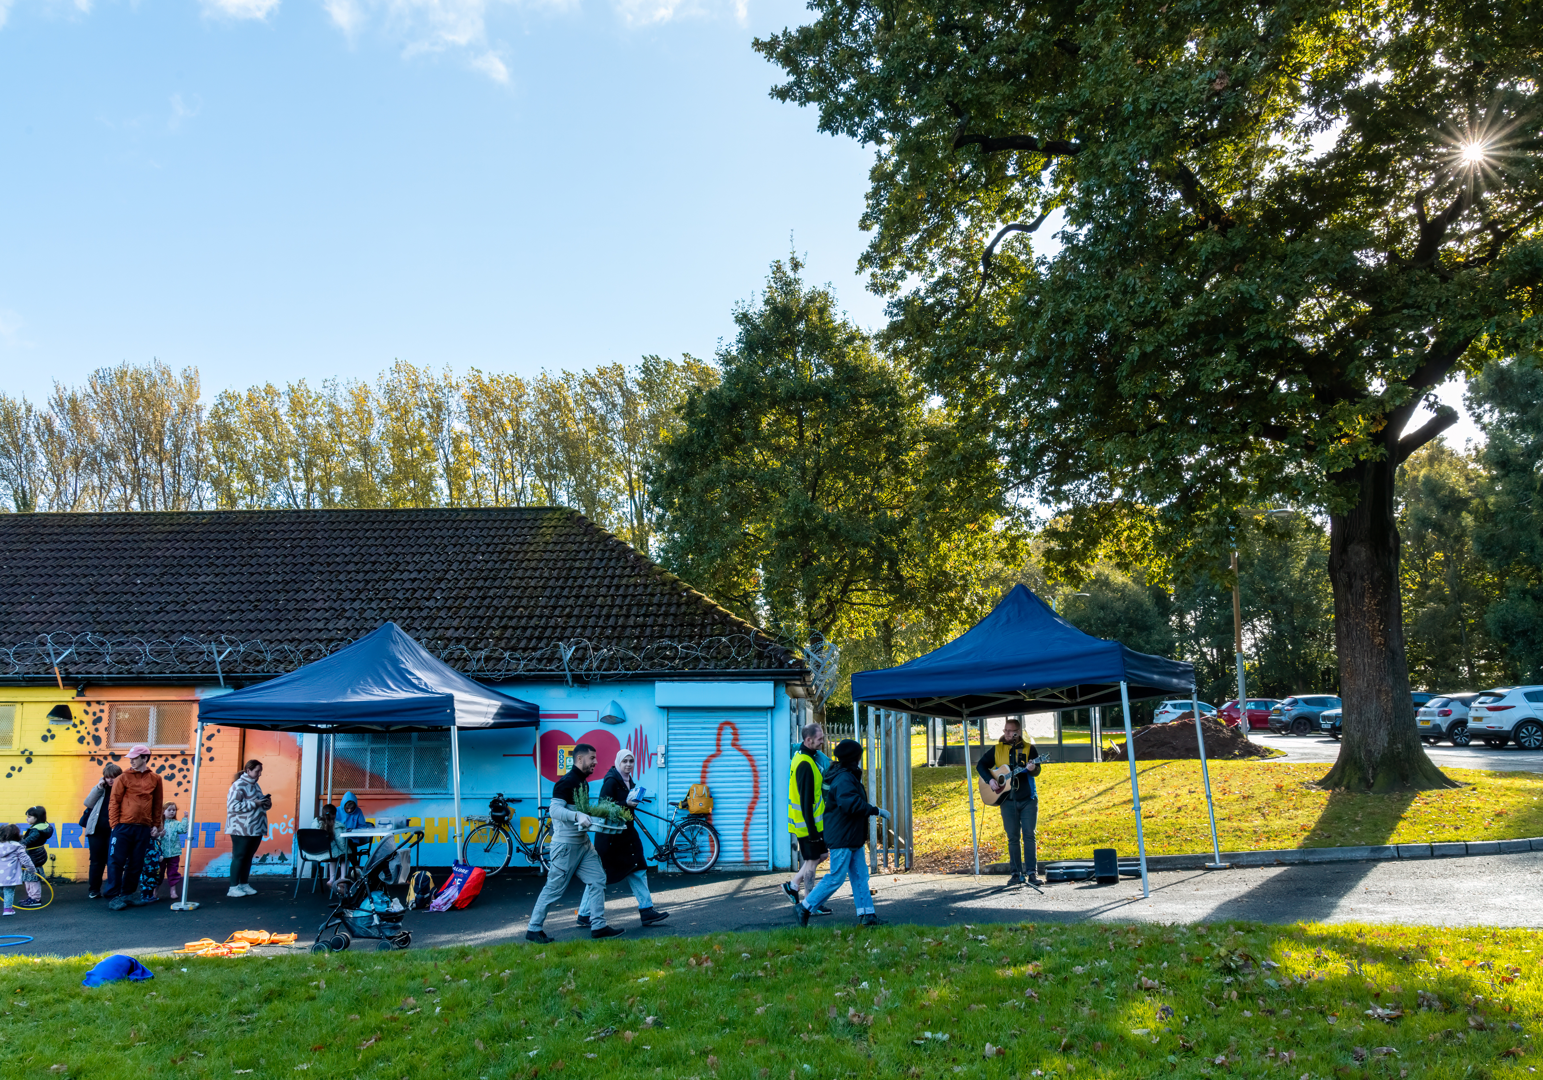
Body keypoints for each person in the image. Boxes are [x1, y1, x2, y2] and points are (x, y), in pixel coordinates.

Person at [525, 743, 620, 943]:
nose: (595, 762)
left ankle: (598, 926)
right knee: (554, 889)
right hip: (566, 847)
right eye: (592, 758)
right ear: (579, 759)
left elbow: (582, 812)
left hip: (583, 845)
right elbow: (554, 811)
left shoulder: (583, 782)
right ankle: (533, 929)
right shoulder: (566, 782)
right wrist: (577, 815)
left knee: (598, 880)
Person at [794, 739, 888, 928]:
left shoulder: (844, 774)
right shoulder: (844, 778)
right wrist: (875, 810)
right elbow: (849, 804)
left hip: (850, 836)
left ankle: (867, 915)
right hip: (843, 836)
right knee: (836, 877)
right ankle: (804, 907)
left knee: (860, 876)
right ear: (855, 757)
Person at [578, 749, 669, 928]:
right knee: (599, 876)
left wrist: (631, 802)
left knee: (638, 869)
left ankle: (646, 910)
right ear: (618, 762)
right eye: (625, 761)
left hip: (626, 836)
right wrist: (625, 803)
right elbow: (603, 807)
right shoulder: (611, 781)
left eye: (631, 761)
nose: (628, 764)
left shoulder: (628, 781)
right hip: (610, 839)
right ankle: (584, 914)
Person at [976, 716, 1043, 886]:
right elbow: (980, 765)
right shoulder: (997, 749)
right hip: (1007, 799)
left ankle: (1032, 874)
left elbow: (1037, 771)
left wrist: (1033, 768)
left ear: (1017, 732)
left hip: (1028, 798)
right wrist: (990, 780)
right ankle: (1015, 874)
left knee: (1029, 835)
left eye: (1009, 731)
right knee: (1012, 837)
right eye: (1005, 730)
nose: (1006, 733)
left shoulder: (1029, 748)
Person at [103, 746, 164, 911]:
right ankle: (113, 896)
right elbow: (114, 802)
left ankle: (127, 895)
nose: (131, 761)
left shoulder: (156, 779)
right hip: (123, 827)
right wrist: (114, 825)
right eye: (130, 758)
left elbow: (157, 804)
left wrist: (155, 826)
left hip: (143, 828)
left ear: (144, 758)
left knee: (136, 863)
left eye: (135, 758)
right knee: (116, 861)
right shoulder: (122, 778)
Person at [782, 722, 832, 915]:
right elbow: (805, 802)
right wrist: (813, 833)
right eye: (819, 739)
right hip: (808, 826)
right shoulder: (805, 763)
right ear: (808, 740)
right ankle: (809, 904)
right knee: (812, 861)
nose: (822, 741)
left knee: (821, 856)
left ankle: (793, 885)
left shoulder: (803, 757)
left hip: (810, 824)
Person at [225, 759, 271, 899]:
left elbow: (258, 803)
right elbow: (232, 806)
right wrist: (254, 803)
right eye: (257, 771)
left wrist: (266, 803)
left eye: (260, 771)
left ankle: (244, 884)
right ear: (248, 770)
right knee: (239, 856)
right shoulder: (238, 785)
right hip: (241, 828)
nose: (259, 774)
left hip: (256, 827)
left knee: (248, 856)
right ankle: (233, 887)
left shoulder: (255, 785)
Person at [81, 762, 123, 899]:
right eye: (108, 777)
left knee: (114, 861)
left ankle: (113, 890)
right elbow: (88, 803)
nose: (111, 780)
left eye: (114, 777)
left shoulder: (124, 789)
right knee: (96, 861)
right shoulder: (101, 788)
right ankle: (94, 890)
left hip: (115, 831)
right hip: (96, 831)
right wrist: (99, 787)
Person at [15, 807, 55, 909]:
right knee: (29, 877)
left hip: (34, 856)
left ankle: (35, 899)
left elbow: (27, 841)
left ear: (37, 818)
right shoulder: (42, 827)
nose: (27, 819)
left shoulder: (36, 830)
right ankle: (31, 897)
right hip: (36, 854)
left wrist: (17, 843)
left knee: (32, 878)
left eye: (29, 817)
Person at [151, 801, 189, 900]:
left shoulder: (176, 823)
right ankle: (155, 890)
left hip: (174, 852)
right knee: (159, 872)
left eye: (174, 810)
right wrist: (160, 835)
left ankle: (173, 890)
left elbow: (183, 830)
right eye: (169, 810)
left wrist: (185, 818)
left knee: (173, 872)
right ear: (163, 811)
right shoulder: (159, 824)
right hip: (161, 853)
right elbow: (153, 837)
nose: (172, 812)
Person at [308, 803, 349, 892]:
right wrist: (347, 851)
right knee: (344, 856)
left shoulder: (315, 823)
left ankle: (332, 879)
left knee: (334, 854)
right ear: (334, 814)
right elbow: (341, 843)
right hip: (328, 853)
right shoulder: (337, 826)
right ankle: (342, 880)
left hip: (313, 853)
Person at [0, 824, 26, 917]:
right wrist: (31, 869)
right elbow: (25, 859)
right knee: (9, 891)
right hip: (10, 874)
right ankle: (7, 910)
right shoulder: (18, 846)